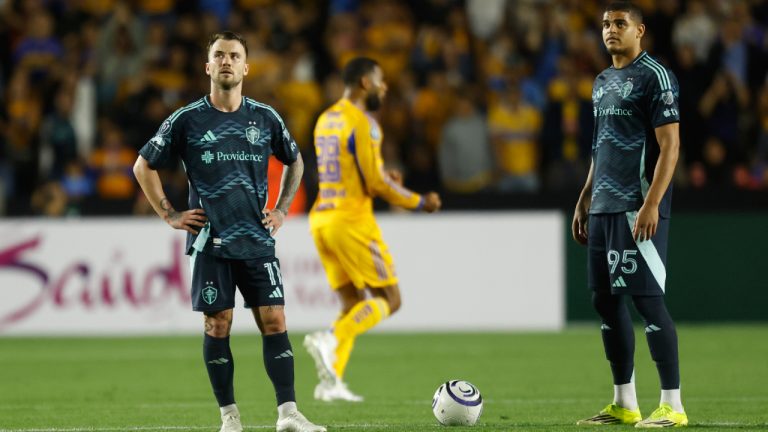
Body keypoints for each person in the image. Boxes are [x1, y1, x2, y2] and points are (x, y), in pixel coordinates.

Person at [133, 32, 325, 432]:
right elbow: (142, 166)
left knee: (275, 321)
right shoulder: (187, 119)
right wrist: (169, 214)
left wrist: (283, 208)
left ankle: (288, 414)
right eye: (218, 55)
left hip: (256, 240)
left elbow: (296, 161)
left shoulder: (265, 117)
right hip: (211, 242)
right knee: (217, 324)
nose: (226, 61)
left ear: (245, 67)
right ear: (207, 66)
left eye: (233, 56)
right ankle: (230, 418)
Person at [572, 2, 688, 428]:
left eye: (620, 24)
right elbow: (600, 145)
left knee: (647, 301)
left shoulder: (655, 76)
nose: (610, 30)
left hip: (636, 208)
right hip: (602, 207)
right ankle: (624, 402)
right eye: (605, 24)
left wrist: (652, 203)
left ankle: (673, 406)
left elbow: (670, 145)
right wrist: (585, 196)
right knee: (605, 301)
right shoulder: (602, 82)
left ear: (640, 30)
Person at [303, 57, 441, 402]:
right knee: (389, 299)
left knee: (352, 301)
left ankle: (330, 381)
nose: (385, 87)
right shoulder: (364, 123)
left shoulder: (326, 118)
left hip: (322, 218)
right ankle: (330, 339)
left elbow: (353, 172)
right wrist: (421, 202)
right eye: (380, 80)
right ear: (365, 82)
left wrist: (382, 176)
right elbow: (376, 184)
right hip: (351, 221)